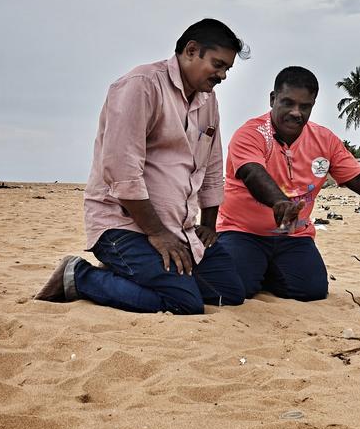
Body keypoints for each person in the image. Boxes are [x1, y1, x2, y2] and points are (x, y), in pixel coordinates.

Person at [35, 18, 249, 315]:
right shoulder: (142, 86)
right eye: (218, 64)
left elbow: (212, 165)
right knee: (185, 302)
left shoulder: (207, 100)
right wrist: (158, 234)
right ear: (191, 50)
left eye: (227, 68)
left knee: (229, 293)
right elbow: (122, 172)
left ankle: (139, 275)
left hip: (180, 229)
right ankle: (78, 277)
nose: (223, 75)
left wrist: (209, 227)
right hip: (125, 226)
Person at [211, 66, 360, 302]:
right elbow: (253, 173)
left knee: (312, 291)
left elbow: (359, 178)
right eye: (288, 103)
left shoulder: (325, 140)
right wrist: (279, 202)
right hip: (242, 232)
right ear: (273, 99)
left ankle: (264, 270)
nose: (296, 112)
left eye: (305, 106)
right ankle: (249, 267)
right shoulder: (251, 134)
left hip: (293, 235)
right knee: (232, 291)